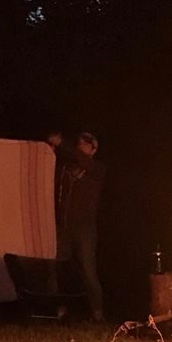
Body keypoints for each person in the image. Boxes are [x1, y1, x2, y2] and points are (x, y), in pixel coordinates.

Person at [48, 131, 105, 321]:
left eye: (85, 143)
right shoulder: (65, 168)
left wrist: (62, 142)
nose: (80, 145)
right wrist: (51, 151)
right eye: (78, 142)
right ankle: (60, 310)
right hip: (63, 227)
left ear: (93, 149)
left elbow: (77, 157)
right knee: (59, 269)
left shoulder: (96, 169)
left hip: (85, 229)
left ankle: (97, 312)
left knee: (88, 270)